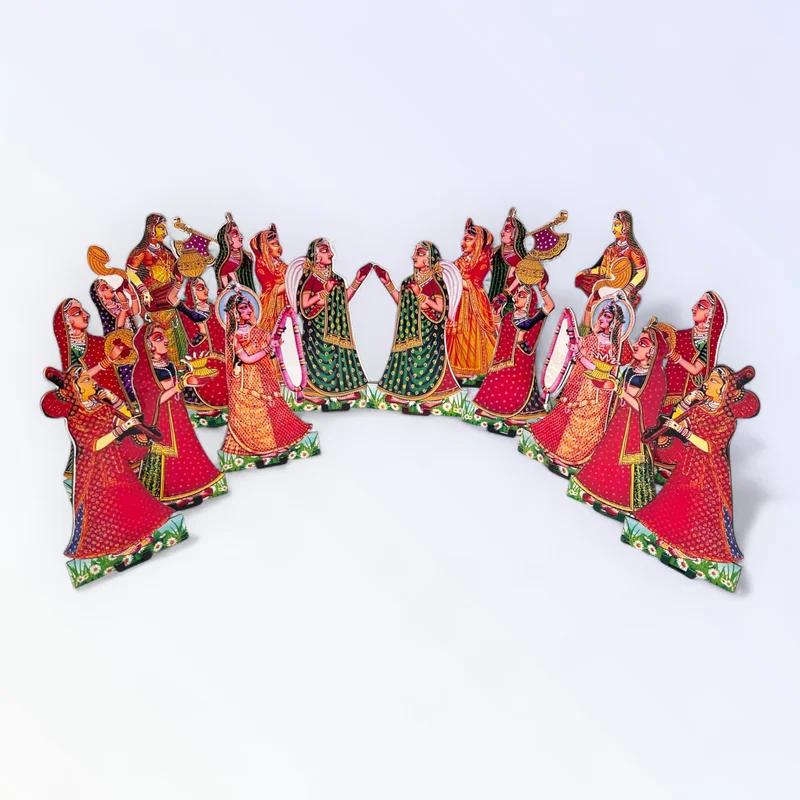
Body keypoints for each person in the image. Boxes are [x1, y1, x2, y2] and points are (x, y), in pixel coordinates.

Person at [628, 366, 760, 587]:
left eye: (714, 380)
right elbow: (677, 419)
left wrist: (683, 432)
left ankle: (693, 553)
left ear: (724, 388)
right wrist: (687, 401)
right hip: (689, 463)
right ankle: (673, 543)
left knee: (701, 511)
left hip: (710, 470)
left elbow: (710, 447)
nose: (708, 382)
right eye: (710, 379)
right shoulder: (700, 406)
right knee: (678, 503)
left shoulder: (727, 418)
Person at [41, 366, 174, 562]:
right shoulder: (76, 417)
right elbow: (94, 445)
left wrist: (113, 399)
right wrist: (120, 430)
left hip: (113, 459)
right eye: (86, 380)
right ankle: (119, 548)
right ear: (76, 388)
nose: (93, 381)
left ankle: (137, 535)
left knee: (129, 496)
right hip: (93, 467)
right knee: (108, 506)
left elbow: (126, 416)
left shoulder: (100, 405)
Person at [569, 324, 669, 516]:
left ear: (653, 351)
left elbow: (644, 408)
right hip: (620, 419)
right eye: (638, 341)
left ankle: (621, 504)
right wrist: (586, 362)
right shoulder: (632, 367)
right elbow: (611, 381)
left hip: (636, 428)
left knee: (625, 465)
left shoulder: (657, 377)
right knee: (607, 456)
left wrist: (620, 390)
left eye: (642, 343)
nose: (635, 345)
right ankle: (598, 494)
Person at [527, 295, 634, 473]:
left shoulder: (611, 346)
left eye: (607, 316)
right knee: (565, 416)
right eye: (602, 314)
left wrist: (579, 354)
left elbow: (599, 369)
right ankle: (557, 451)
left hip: (595, 391)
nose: (602, 318)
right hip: (578, 384)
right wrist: (574, 350)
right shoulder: (593, 337)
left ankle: (569, 458)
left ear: (615, 322)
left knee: (580, 424)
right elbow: (577, 355)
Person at [132, 322, 227, 508]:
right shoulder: (143, 371)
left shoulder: (168, 364)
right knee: (170, 458)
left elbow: (179, 387)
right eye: (159, 338)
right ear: (148, 345)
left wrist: (193, 380)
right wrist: (181, 384)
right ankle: (172, 495)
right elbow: (154, 401)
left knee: (188, 449)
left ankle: (195, 487)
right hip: (161, 420)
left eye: (164, 336)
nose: (166, 340)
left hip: (177, 413)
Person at [218, 289, 313, 466]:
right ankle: (264, 449)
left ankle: (277, 443)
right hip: (246, 382)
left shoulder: (258, 331)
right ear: (235, 313)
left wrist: (281, 326)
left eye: (249, 306)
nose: (249, 310)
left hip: (265, 377)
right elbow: (246, 359)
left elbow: (270, 342)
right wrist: (269, 348)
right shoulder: (233, 336)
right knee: (257, 414)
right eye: (243, 307)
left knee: (273, 409)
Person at [375, 241, 461, 413]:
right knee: (409, 362)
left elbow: (441, 308)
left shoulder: (434, 281)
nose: (413, 256)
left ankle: (433, 397)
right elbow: (402, 303)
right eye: (416, 253)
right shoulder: (409, 281)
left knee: (426, 364)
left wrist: (420, 295)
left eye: (419, 253)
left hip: (429, 332)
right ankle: (408, 394)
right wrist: (388, 283)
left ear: (430, 259)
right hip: (410, 329)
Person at [287, 238, 371, 406]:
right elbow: (304, 304)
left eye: (329, 250)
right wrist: (324, 292)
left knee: (337, 359)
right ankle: (310, 392)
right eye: (326, 250)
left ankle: (340, 392)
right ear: (316, 255)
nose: (331, 254)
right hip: (317, 328)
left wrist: (358, 280)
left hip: (335, 326)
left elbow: (343, 301)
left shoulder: (337, 279)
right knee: (318, 359)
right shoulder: (310, 278)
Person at [653, 291, 726, 479]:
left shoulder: (707, 345)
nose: (693, 308)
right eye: (696, 304)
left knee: (678, 430)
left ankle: (673, 470)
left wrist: (675, 356)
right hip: (668, 387)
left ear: (711, 315)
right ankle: (654, 463)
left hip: (687, 393)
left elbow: (695, 370)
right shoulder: (681, 335)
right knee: (657, 424)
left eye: (701, 306)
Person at [472, 280, 555, 424]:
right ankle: (491, 409)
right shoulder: (510, 315)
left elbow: (550, 306)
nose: (516, 297)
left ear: (529, 299)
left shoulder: (533, 316)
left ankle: (518, 417)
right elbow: (499, 332)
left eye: (521, 295)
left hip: (521, 356)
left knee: (517, 385)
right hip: (505, 354)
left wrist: (542, 290)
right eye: (516, 294)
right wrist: (497, 313)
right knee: (498, 379)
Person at [126, 213, 189, 364]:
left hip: (170, 299)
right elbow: (130, 272)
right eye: (161, 228)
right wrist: (143, 290)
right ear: (152, 230)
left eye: (165, 229)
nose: (165, 232)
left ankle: (181, 369)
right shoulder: (142, 252)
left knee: (177, 338)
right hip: (154, 300)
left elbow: (176, 272)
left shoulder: (167, 252)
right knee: (159, 338)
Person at [574, 211, 647, 329]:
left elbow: (641, 273)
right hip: (609, 284)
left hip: (623, 290)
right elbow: (603, 270)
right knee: (592, 297)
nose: (613, 229)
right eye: (613, 225)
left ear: (625, 226)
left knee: (599, 303)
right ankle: (586, 333)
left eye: (617, 224)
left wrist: (627, 289)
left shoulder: (632, 251)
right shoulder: (611, 249)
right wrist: (586, 272)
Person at [445, 218, 496, 383]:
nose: (463, 243)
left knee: (472, 333)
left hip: (473, 301)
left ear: (478, 242)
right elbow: (452, 272)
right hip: (458, 301)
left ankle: (475, 368)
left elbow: (472, 283)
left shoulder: (482, 259)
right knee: (457, 334)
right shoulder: (462, 259)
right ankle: (457, 368)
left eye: (468, 239)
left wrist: (453, 276)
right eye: (463, 239)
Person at [175, 276, 229, 423]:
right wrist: (202, 331)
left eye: (205, 287)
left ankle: (219, 406)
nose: (206, 290)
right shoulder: (188, 310)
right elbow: (192, 338)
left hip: (219, 353)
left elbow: (221, 330)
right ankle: (204, 410)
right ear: (192, 292)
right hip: (200, 354)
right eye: (201, 288)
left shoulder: (213, 308)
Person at [89, 278, 140, 402]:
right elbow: (118, 328)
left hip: (133, 339)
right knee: (129, 372)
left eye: (108, 285)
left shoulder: (116, 304)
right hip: (121, 346)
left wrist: (133, 295)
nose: (111, 288)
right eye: (105, 288)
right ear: (99, 296)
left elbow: (135, 311)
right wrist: (124, 307)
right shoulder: (107, 311)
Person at [252, 225, 289, 334]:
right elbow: (273, 291)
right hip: (270, 306)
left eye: (278, 244)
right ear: (265, 248)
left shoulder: (281, 264)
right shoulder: (261, 266)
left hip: (285, 303)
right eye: (275, 244)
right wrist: (291, 280)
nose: (279, 247)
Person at [213, 212, 256, 292]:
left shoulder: (246, 257)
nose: (241, 237)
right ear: (227, 240)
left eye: (239, 233)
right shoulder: (224, 265)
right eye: (235, 235)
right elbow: (227, 291)